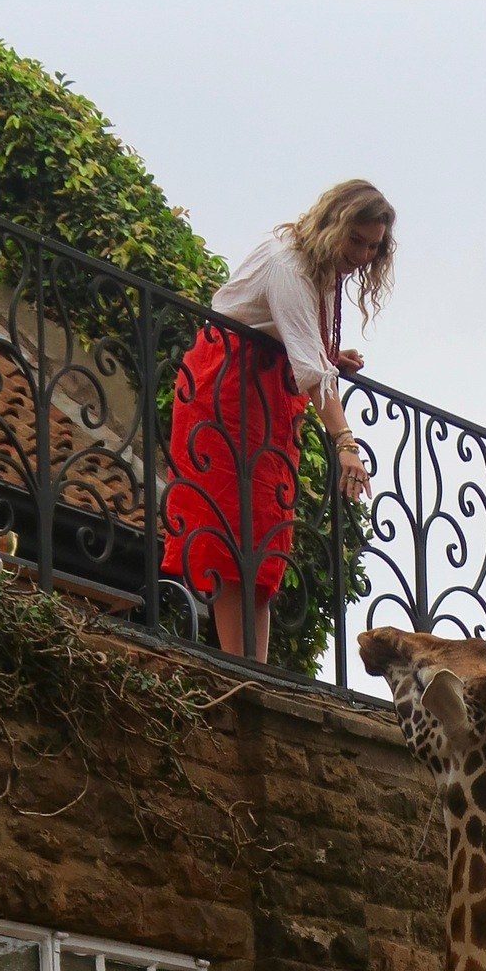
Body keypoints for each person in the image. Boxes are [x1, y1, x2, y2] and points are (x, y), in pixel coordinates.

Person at [161, 179, 395, 661]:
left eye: (373, 247)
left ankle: (255, 667)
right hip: (226, 390)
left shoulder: (323, 269)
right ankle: (242, 666)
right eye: (356, 241)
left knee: (265, 532)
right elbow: (309, 369)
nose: (363, 255)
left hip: (266, 397)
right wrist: (345, 443)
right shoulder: (289, 264)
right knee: (231, 532)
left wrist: (329, 356)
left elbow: (304, 351)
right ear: (335, 224)